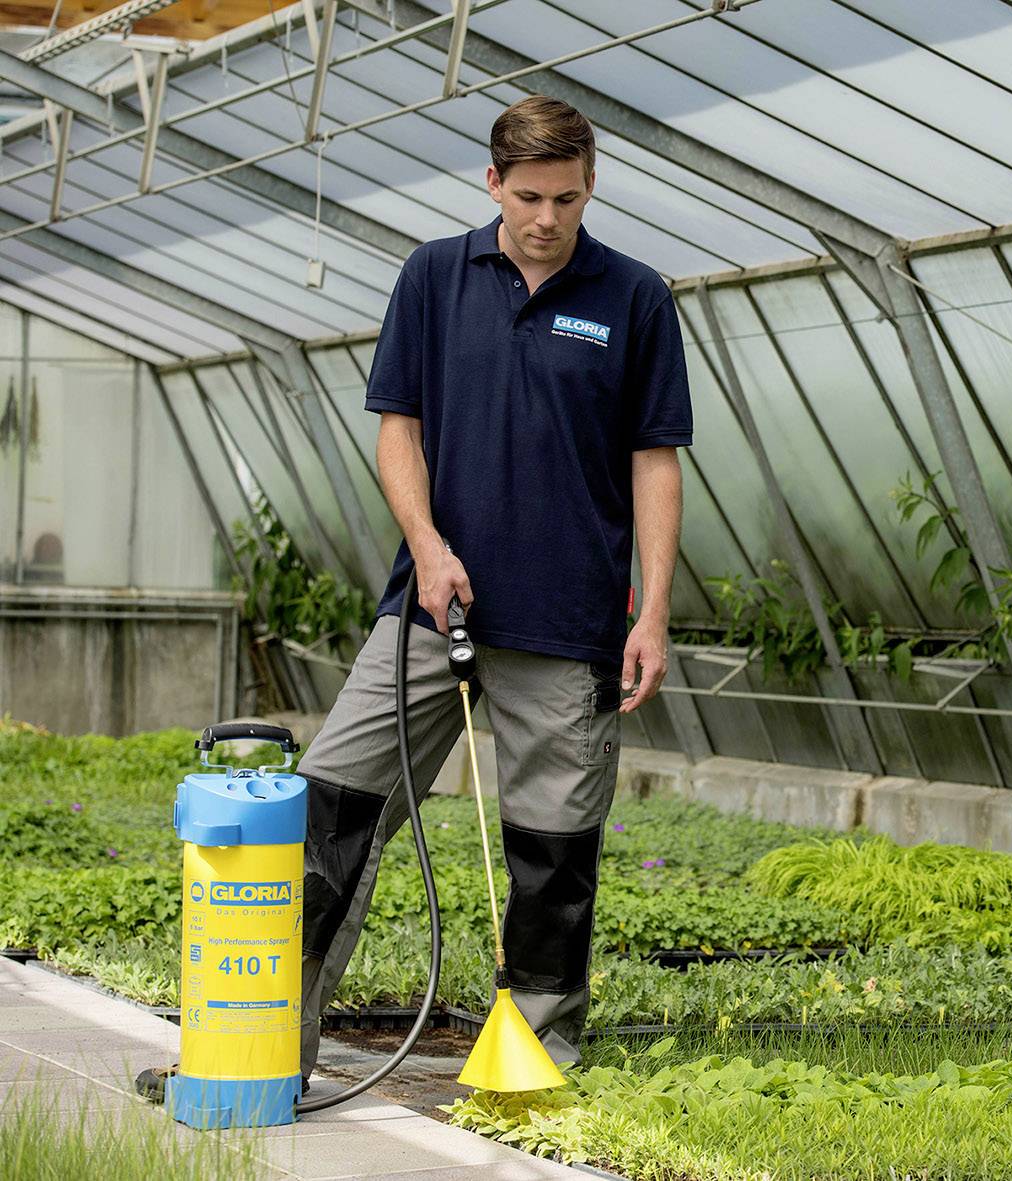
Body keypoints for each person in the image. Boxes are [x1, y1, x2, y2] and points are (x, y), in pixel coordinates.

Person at [140, 94, 693, 1100]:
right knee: (326, 818)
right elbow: (397, 427)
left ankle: (531, 1076)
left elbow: (655, 459)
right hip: (428, 611)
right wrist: (428, 547)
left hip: (569, 623)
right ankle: (263, 1048)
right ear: (491, 183)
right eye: (527, 196)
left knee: (550, 857)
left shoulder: (634, 297)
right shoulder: (434, 277)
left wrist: (649, 609)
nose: (545, 218)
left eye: (566, 198)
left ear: (591, 185)